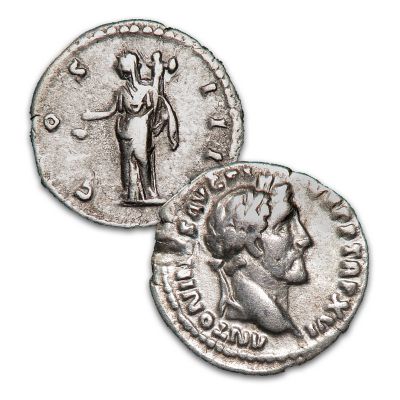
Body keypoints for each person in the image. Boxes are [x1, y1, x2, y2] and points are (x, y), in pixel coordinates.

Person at [204, 175, 312, 336]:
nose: (305, 239)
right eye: (282, 228)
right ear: (254, 245)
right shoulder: (255, 319)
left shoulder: (278, 319)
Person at [82, 51, 179, 203]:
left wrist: (157, 75)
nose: (125, 74)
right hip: (126, 131)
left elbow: (157, 106)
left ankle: (148, 192)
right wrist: (91, 115)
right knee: (128, 162)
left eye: (125, 70)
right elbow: (110, 112)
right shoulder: (122, 91)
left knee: (142, 159)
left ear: (134, 67)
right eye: (123, 71)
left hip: (141, 129)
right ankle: (131, 193)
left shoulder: (148, 90)